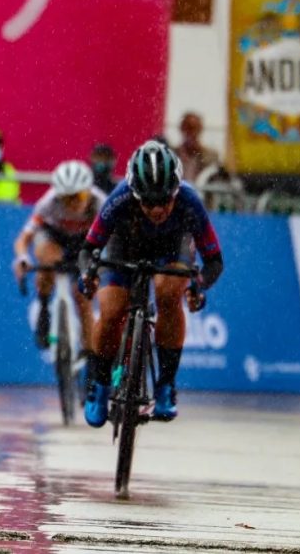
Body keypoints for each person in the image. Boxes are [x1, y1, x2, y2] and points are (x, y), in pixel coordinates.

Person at [78, 141, 223, 426]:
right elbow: (88, 249)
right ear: (135, 194)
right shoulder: (119, 198)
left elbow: (214, 260)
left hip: (172, 249)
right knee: (110, 311)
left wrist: (199, 285)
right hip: (125, 246)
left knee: (169, 294)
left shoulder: (190, 201)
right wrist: (88, 273)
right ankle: (100, 383)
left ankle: (166, 385)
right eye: (148, 202)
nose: (157, 209)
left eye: (165, 200)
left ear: (176, 191)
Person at [13, 160, 105, 355]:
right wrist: (22, 258)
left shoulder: (100, 203)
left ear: (89, 191)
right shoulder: (47, 203)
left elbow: (116, 238)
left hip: (84, 243)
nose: (73, 204)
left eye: (79, 196)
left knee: (83, 295)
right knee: (47, 261)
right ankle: (44, 307)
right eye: (66, 198)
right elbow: (24, 238)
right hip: (54, 237)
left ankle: (91, 354)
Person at [175, 112, 220, 184]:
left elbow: (214, 182)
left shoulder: (211, 156)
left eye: (195, 128)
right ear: (181, 129)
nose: (192, 133)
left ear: (201, 130)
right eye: (188, 128)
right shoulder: (173, 155)